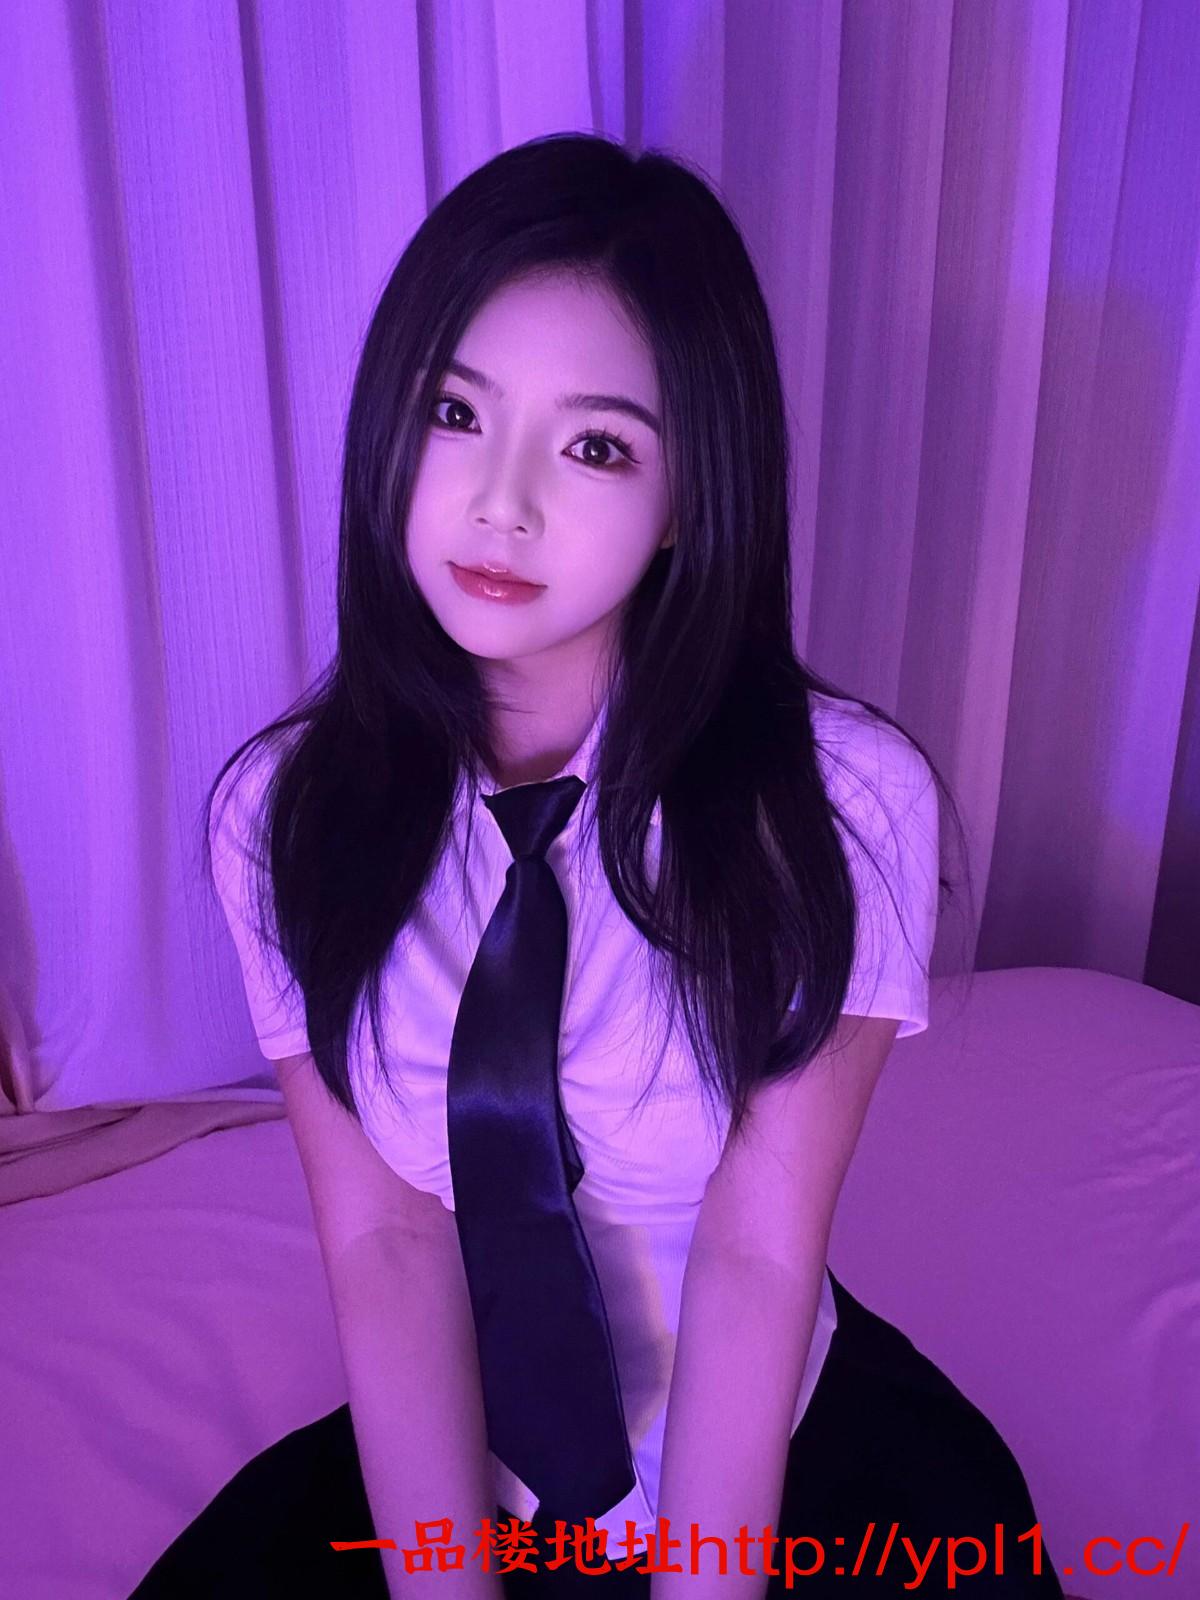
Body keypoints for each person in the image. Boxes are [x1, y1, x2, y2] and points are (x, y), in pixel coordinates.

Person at [130, 134, 1065, 1598]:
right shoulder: (283, 814)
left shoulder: (837, 803)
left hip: (766, 1453)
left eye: (596, 446)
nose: (501, 504)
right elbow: (384, 1239)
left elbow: (758, 1255)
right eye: (455, 413)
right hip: (455, 1454)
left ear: (691, 496)